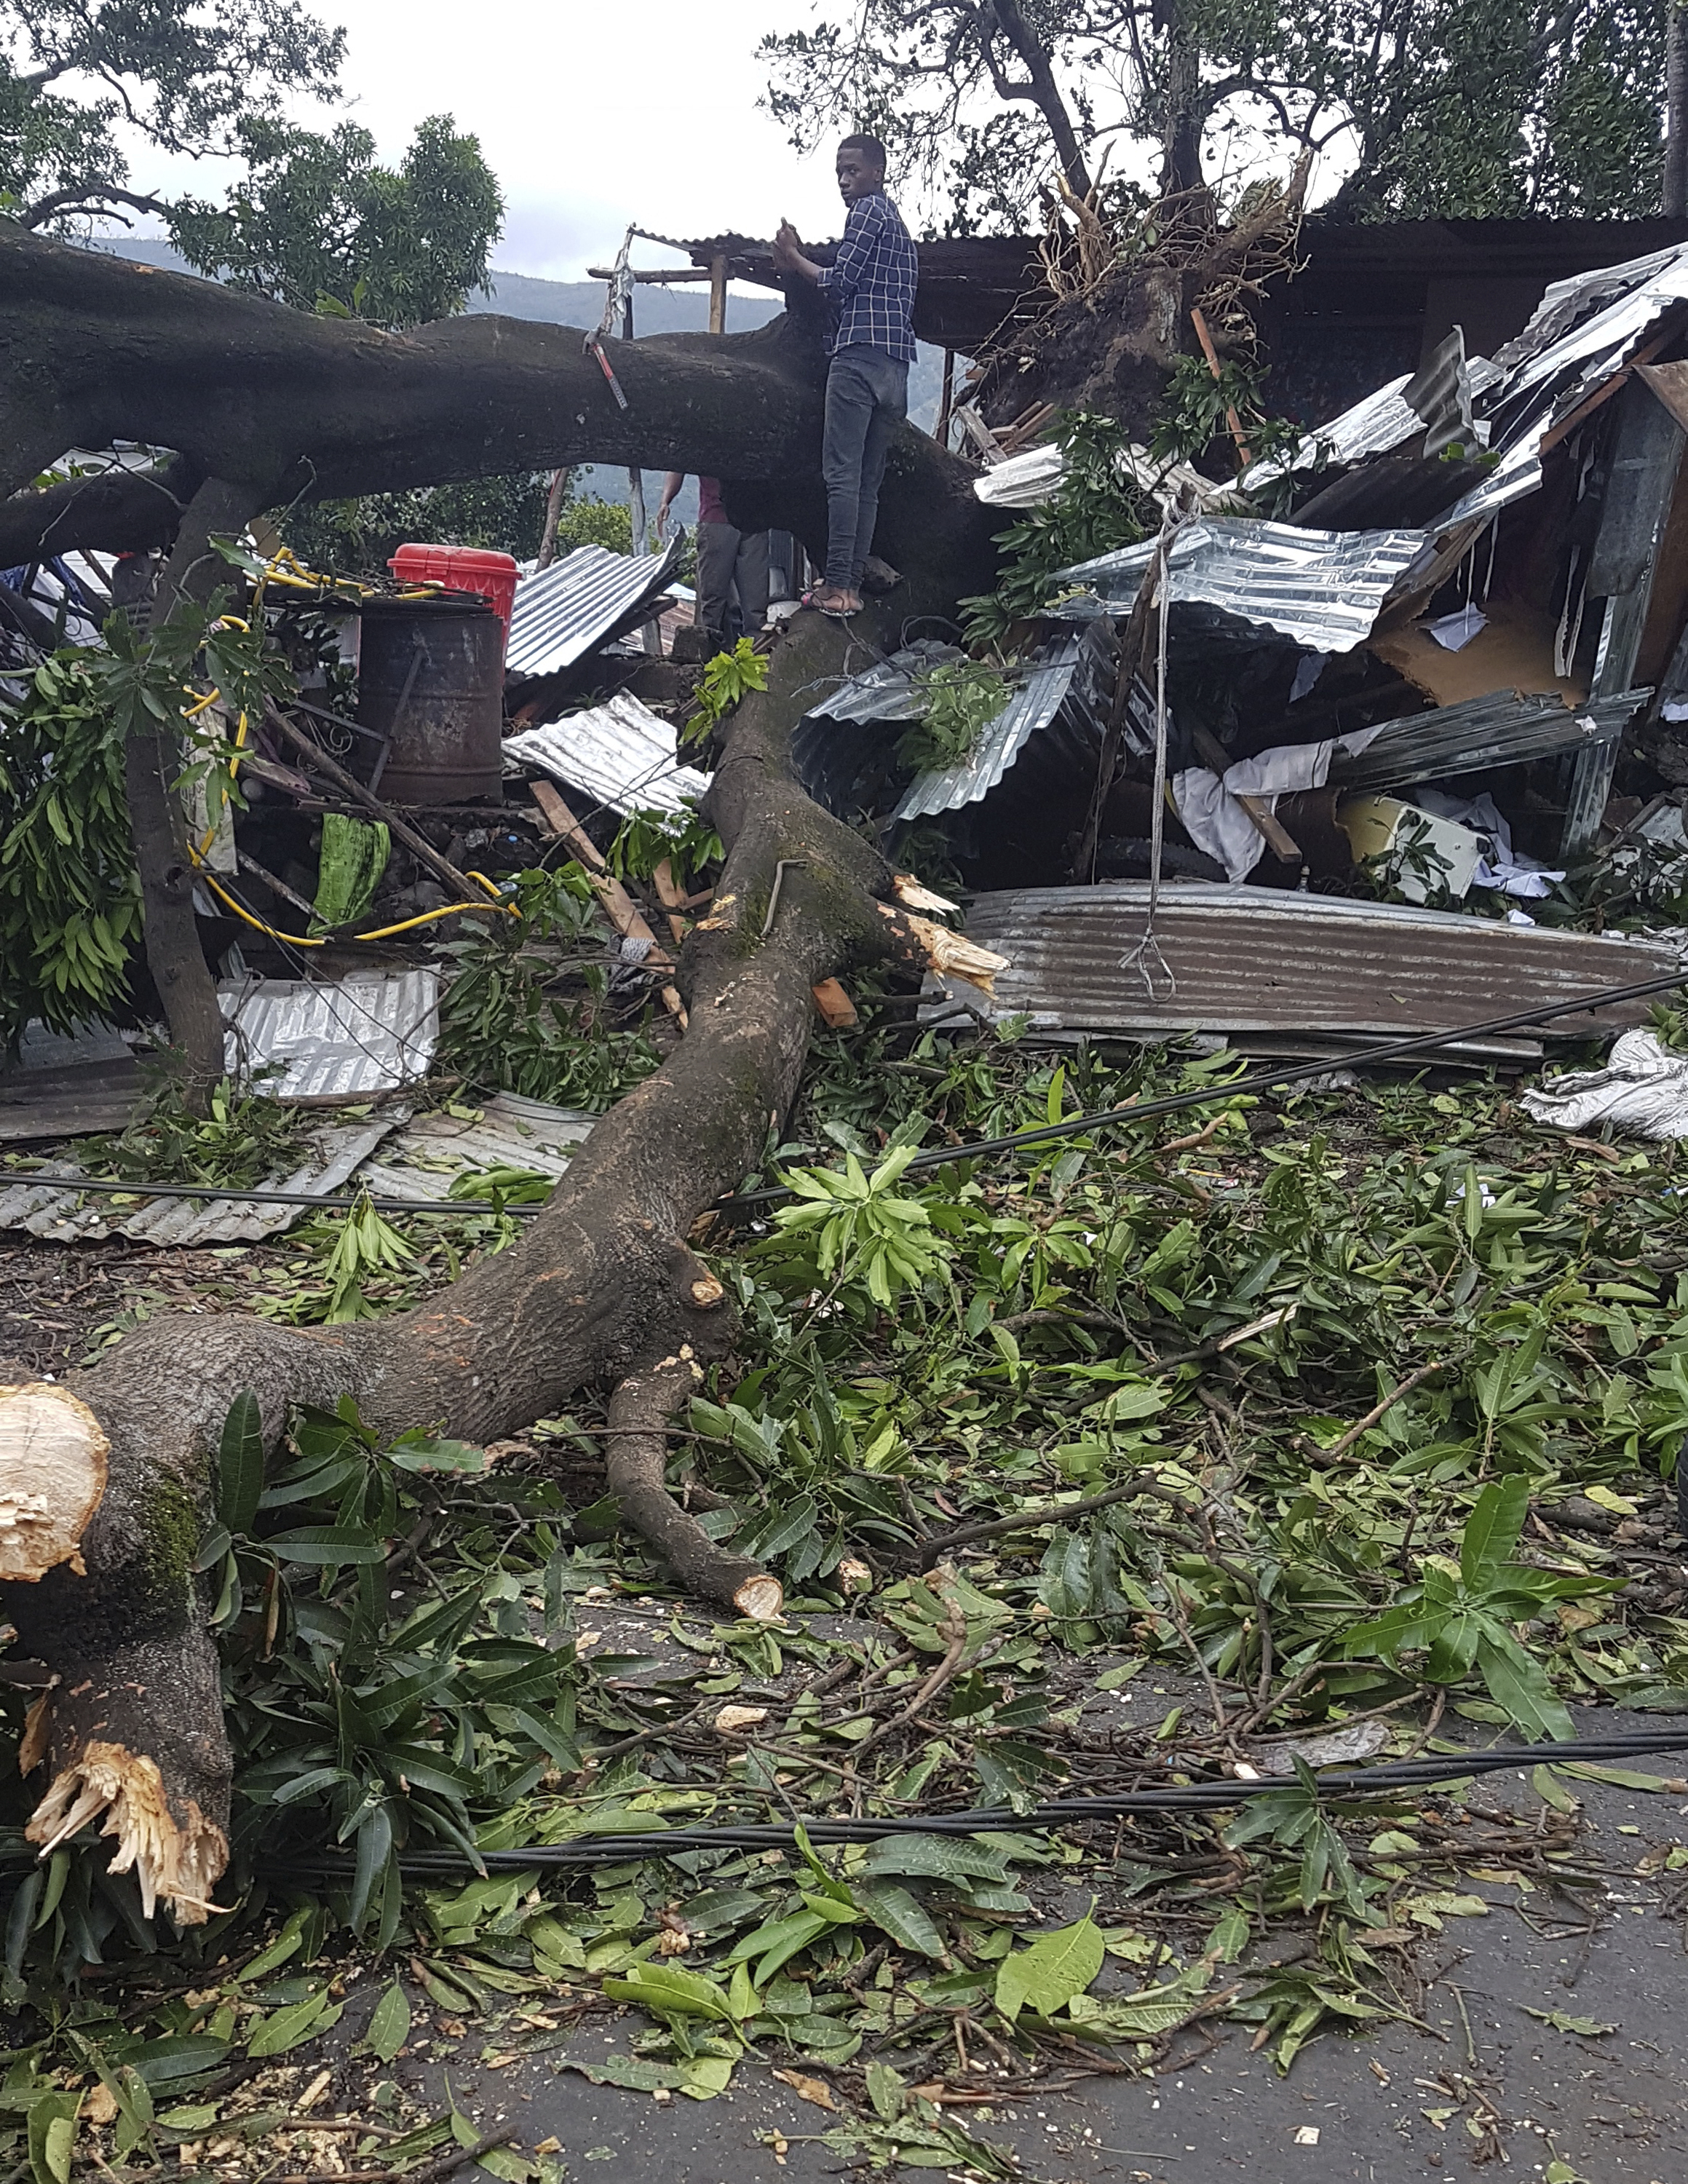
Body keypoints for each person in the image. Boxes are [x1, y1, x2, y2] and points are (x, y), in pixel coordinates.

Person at [771, 132, 918, 619]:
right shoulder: (898, 227)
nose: (844, 181)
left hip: (857, 361)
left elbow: (839, 282)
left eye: (852, 170)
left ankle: (837, 586)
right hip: (896, 369)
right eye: (839, 172)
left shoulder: (867, 212)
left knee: (840, 476)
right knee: (865, 484)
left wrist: (793, 259)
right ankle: (850, 586)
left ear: (877, 171)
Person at [655, 473, 769, 656]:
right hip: (718, 519)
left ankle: (756, 661)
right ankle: (705, 660)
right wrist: (665, 501)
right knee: (712, 603)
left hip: (755, 520)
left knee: (756, 604)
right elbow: (680, 464)